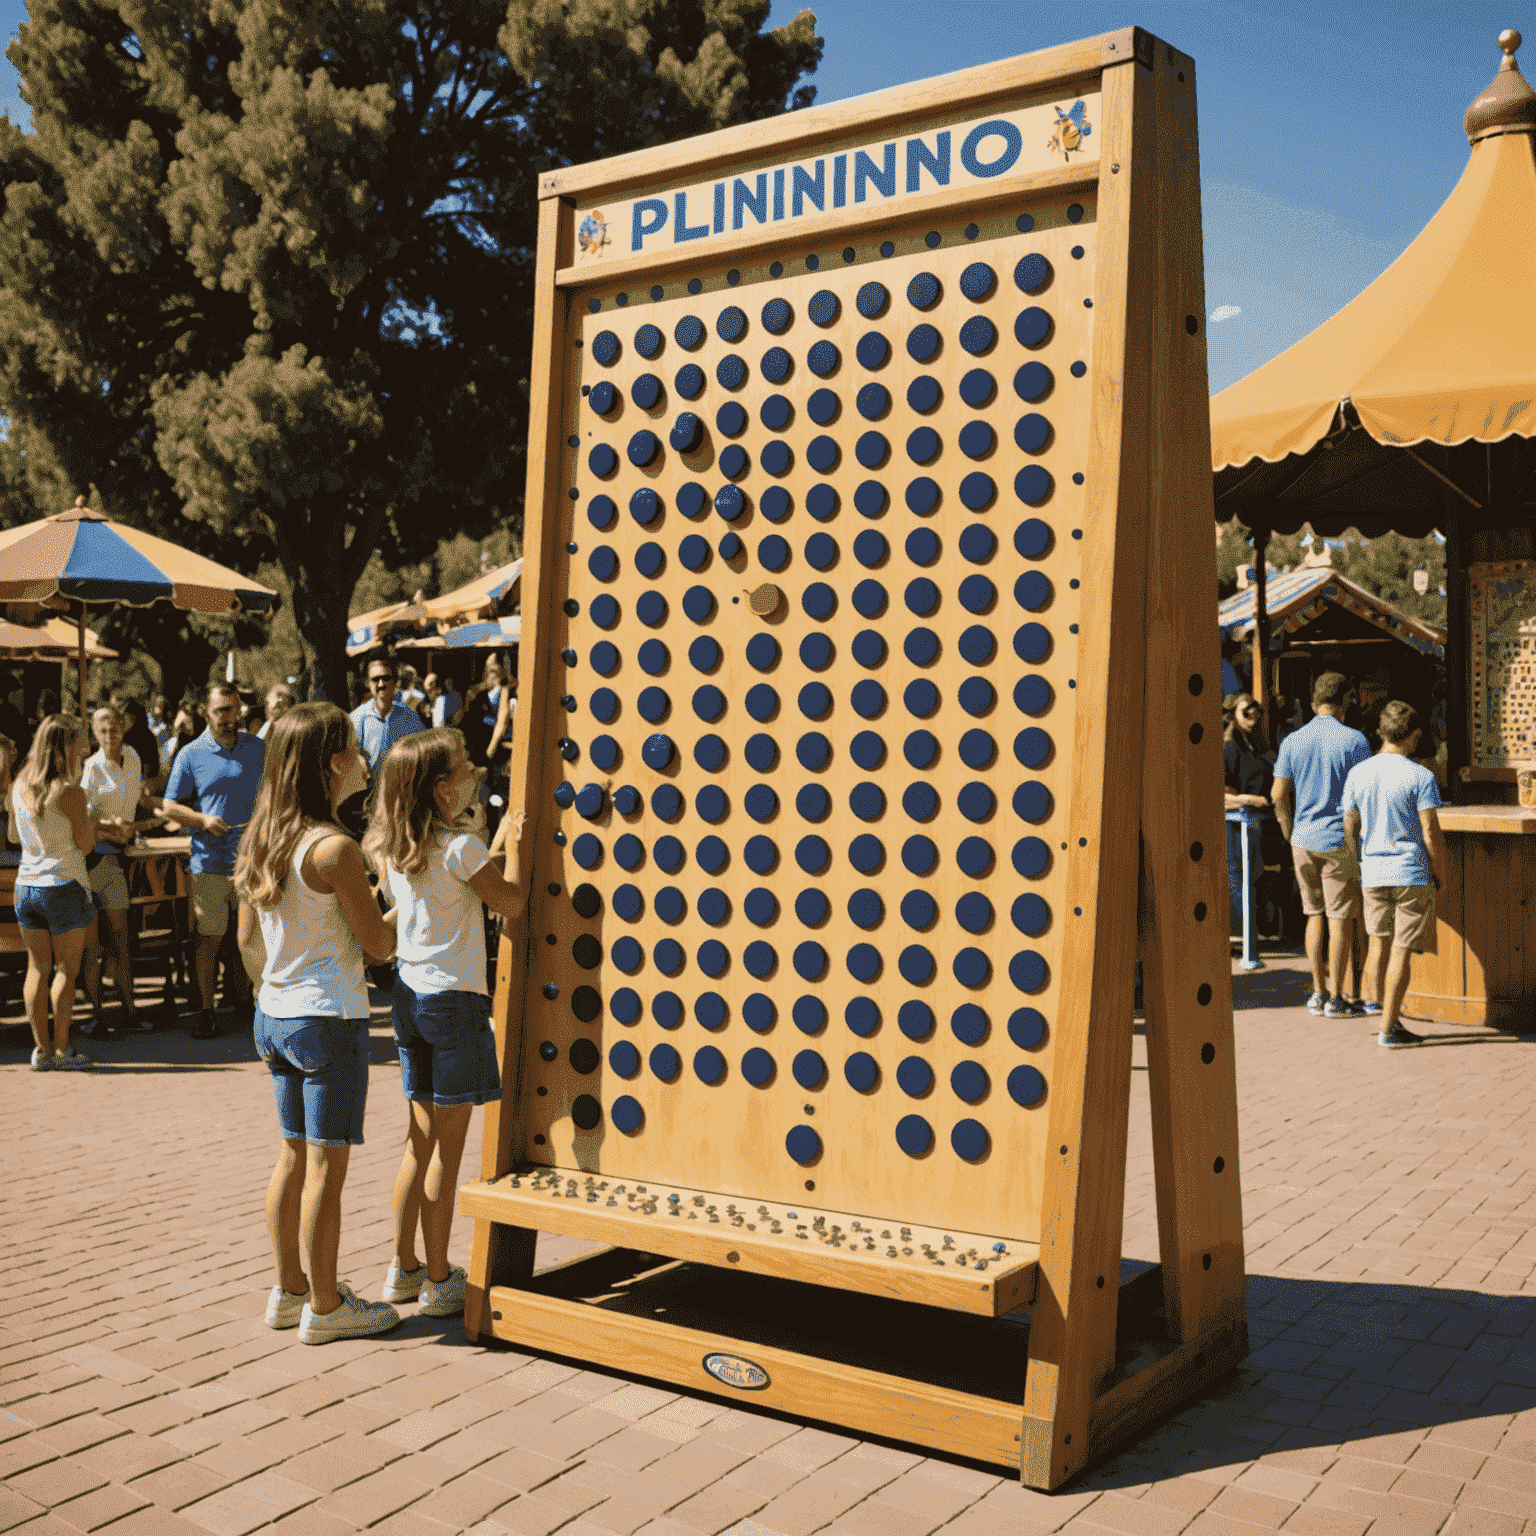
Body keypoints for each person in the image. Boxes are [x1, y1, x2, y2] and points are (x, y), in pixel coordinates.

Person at [233, 703, 402, 1343]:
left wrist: (270, 986)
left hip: (274, 1014)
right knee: (327, 1171)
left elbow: (248, 936)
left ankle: (289, 1290)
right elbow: (378, 948)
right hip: (327, 1017)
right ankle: (328, 1307)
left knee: (293, 1158)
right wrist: (407, 897)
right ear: (334, 763)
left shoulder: (264, 835)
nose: (364, 758)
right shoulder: (335, 848)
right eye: (355, 750)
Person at [364, 729, 526, 1317]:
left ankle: (401, 1266)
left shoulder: (400, 847)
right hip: (454, 1003)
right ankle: (438, 1278)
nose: (474, 774)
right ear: (439, 788)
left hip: (409, 999)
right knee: (447, 1155)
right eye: (463, 769)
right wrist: (511, 840)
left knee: (419, 1141)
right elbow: (510, 902)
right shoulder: (460, 849)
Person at [162, 683, 267, 1038]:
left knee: (250, 937)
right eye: (221, 710)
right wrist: (203, 820)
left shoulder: (256, 748)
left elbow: (273, 792)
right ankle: (206, 1010)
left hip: (251, 864)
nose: (229, 717)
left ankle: (251, 1003)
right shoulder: (191, 754)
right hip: (209, 863)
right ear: (206, 712)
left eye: (234, 709)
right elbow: (170, 805)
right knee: (209, 938)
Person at [1343, 702, 1446, 1049]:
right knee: (1402, 951)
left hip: (1373, 869)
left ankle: (1379, 1007)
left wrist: (1357, 857)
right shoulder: (1421, 776)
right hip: (1410, 871)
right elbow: (1430, 830)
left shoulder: (1359, 773)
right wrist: (1439, 869)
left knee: (1379, 944)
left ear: (1381, 732)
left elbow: (1350, 820)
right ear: (1414, 736)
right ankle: (1390, 1026)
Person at [1272, 673, 1372, 1018]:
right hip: (1338, 839)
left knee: (1313, 915)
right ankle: (1337, 996)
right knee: (1340, 919)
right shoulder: (1355, 741)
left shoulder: (1292, 741)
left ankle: (1317, 991)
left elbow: (1277, 796)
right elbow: (1363, 799)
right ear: (1344, 700)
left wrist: (1288, 832)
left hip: (1303, 838)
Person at [13, 714, 96, 1070]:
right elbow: (87, 844)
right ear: (65, 746)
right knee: (66, 969)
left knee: (37, 968)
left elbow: (14, 838)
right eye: (80, 741)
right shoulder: (70, 791)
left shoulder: (19, 784)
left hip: (27, 885)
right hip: (63, 885)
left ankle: (41, 1050)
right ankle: (62, 1051)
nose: (85, 747)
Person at [79, 705, 152, 1034]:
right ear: (94, 733)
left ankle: (131, 1013)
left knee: (122, 941)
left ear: (124, 728)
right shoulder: (91, 769)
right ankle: (97, 1017)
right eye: (103, 730)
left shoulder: (133, 757)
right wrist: (111, 828)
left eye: (115, 729)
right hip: (94, 862)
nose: (110, 735)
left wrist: (131, 830)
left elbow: (136, 800)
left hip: (119, 859)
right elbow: (82, 819)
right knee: (94, 947)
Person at [1223, 693, 1272, 957]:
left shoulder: (1255, 744)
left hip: (1254, 824)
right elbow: (1220, 795)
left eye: (1257, 711)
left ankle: (1249, 937)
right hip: (1234, 825)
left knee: (1252, 878)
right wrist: (1251, 799)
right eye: (1246, 712)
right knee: (1237, 879)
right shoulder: (1228, 747)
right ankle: (1244, 942)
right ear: (1233, 715)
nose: (1253, 715)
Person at [349, 659, 424, 772]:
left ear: (395, 682)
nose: (381, 684)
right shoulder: (356, 718)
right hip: (370, 787)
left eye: (386, 678)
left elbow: (423, 753)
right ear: (368, 684)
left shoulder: (410, 718)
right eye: (375, 679)